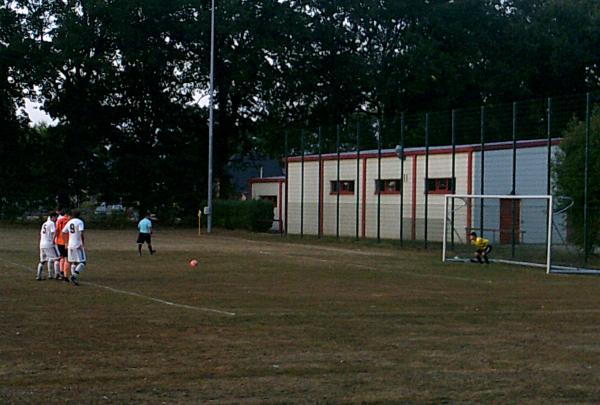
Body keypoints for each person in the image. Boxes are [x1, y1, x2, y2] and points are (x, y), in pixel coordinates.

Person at [62, 209, 86, 286]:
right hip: (77, 244)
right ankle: (74, 276)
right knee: (83, 262)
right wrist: (82, 243)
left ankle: (73, 278)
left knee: (73, 262)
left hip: (70, 245)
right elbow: (81, 233)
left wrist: (66, 242)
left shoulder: (69, 222)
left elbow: (63, 232)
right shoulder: (80, 222)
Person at [37, 212, 60, 280]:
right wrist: (53, 240)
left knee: (43, 260)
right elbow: (54, 232)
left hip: (42, 244)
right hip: (49, 243)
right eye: (56, 217)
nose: (56, 219)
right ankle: (57, 274)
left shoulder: (44, 223)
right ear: (52, 217)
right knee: (57, 258)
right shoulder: (51, 223)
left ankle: (39, 275)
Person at [55, 209, 71, 281]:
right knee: (66, 259)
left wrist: (55, 239)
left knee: (62, 257)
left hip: (59, 241)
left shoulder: (59, 220)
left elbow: (57, 231)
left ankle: (61, 271)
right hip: (66, 242)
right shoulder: (68, 221)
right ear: (67, 215)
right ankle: (65, 275)